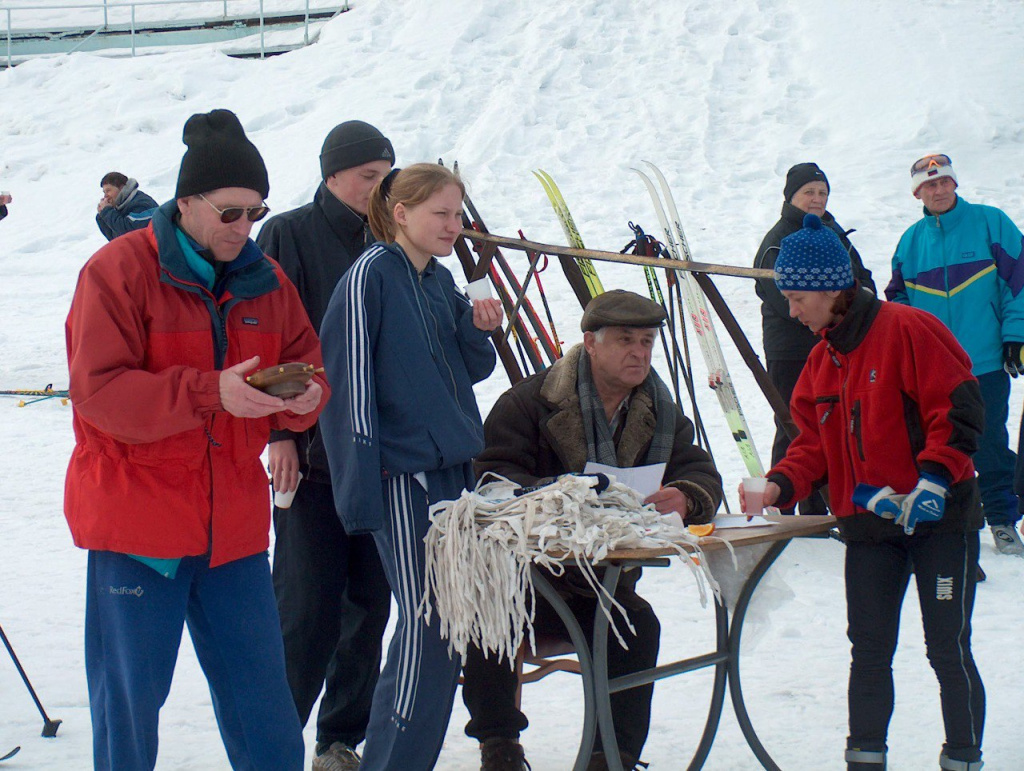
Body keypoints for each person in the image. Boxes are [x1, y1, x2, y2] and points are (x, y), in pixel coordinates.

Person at [64, 108, 328, 771]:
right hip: (137, 532)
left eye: (256, 214)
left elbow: (309, 363)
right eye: (230, 212)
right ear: (185, 202)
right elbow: (99, 394)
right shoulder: (117, 272)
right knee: (129, 711)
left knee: (267, 713)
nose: (245, 229)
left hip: (232, 534)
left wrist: (305, 401)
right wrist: (209, 391)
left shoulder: (266, 280)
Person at [748, 214, 985, 771]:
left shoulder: (908, 329)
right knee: (870, 652)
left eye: (797, 297)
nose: (792, 310)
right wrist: (780, 484)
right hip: (869, 527)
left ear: (830, 288)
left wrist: (934, 477)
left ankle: (964, 758)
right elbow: (809, 445)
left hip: (939, 522)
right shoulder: (821, 361)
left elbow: (960, 407)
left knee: (947, 649)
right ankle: (865, 759)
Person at [462, 290, 724, 771]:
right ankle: (498, 747)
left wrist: (685, 494)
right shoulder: (529, 403)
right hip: (526, 583)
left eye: (647, 342)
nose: (639, 354)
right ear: (590, 343)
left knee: (637, 625)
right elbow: (493, 484)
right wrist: (566, 498)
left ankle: (613, 757)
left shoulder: (658, 409)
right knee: (489, 616)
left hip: (600, 587)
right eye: (626, 341)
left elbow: (702, 471)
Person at [318, 163, 502, 771]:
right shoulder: (369, 276)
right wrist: (359, 488)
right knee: (432, 627)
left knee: (445, 629)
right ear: (400, 213)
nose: (453, 226)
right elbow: (347, 389)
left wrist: (482, 332)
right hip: (401, 477)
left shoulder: (438, 280)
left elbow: (468, 372)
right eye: (440, 214)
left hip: (453, 471)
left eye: (458, 214)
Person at [256, 120, 395, 771]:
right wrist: (280, 430)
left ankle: (339, 738)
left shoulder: (392, 238)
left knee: (371, 603)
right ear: (331, 173)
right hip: (310, 456)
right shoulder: (287, 232)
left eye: (385, 176)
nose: (377, 187)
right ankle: (274, 736)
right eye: (368, 175)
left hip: (381, 459)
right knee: (306, 607)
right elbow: (267, 336)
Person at [886, 153, 1024, 556]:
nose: (939, 189)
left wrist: (1015, 335)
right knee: (936, 444)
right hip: (933, 368)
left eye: (944, 182)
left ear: (955, 184)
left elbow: (1018, 283)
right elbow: (899, 304)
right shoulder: (911, 242)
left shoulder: (991, 222)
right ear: (918, 194)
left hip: (984, 360)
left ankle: (1001, 520)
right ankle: (946, 524)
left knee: (989, 442)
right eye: (930, 185)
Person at [753, 162, 876, 515]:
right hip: (791, 350)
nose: (817, 199)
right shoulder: (777, 239)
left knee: (833, 420)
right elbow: (778, 294)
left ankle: (818, 505)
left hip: (835, 345)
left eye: (822, 193)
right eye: (809, 192)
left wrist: (855, 315)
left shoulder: (833, 232)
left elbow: (862, 279)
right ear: (792, 197)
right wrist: (827, 318)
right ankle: (783, 506)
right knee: (793, 422)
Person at [95, 171, 158, 240]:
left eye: (108, 191)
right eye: (104, 192)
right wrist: (102, 216)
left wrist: (107, 211)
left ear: (122, 188)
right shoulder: (120, 207)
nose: (105, 196)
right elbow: (116, 240)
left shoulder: (141, 203)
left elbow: (128, 233)